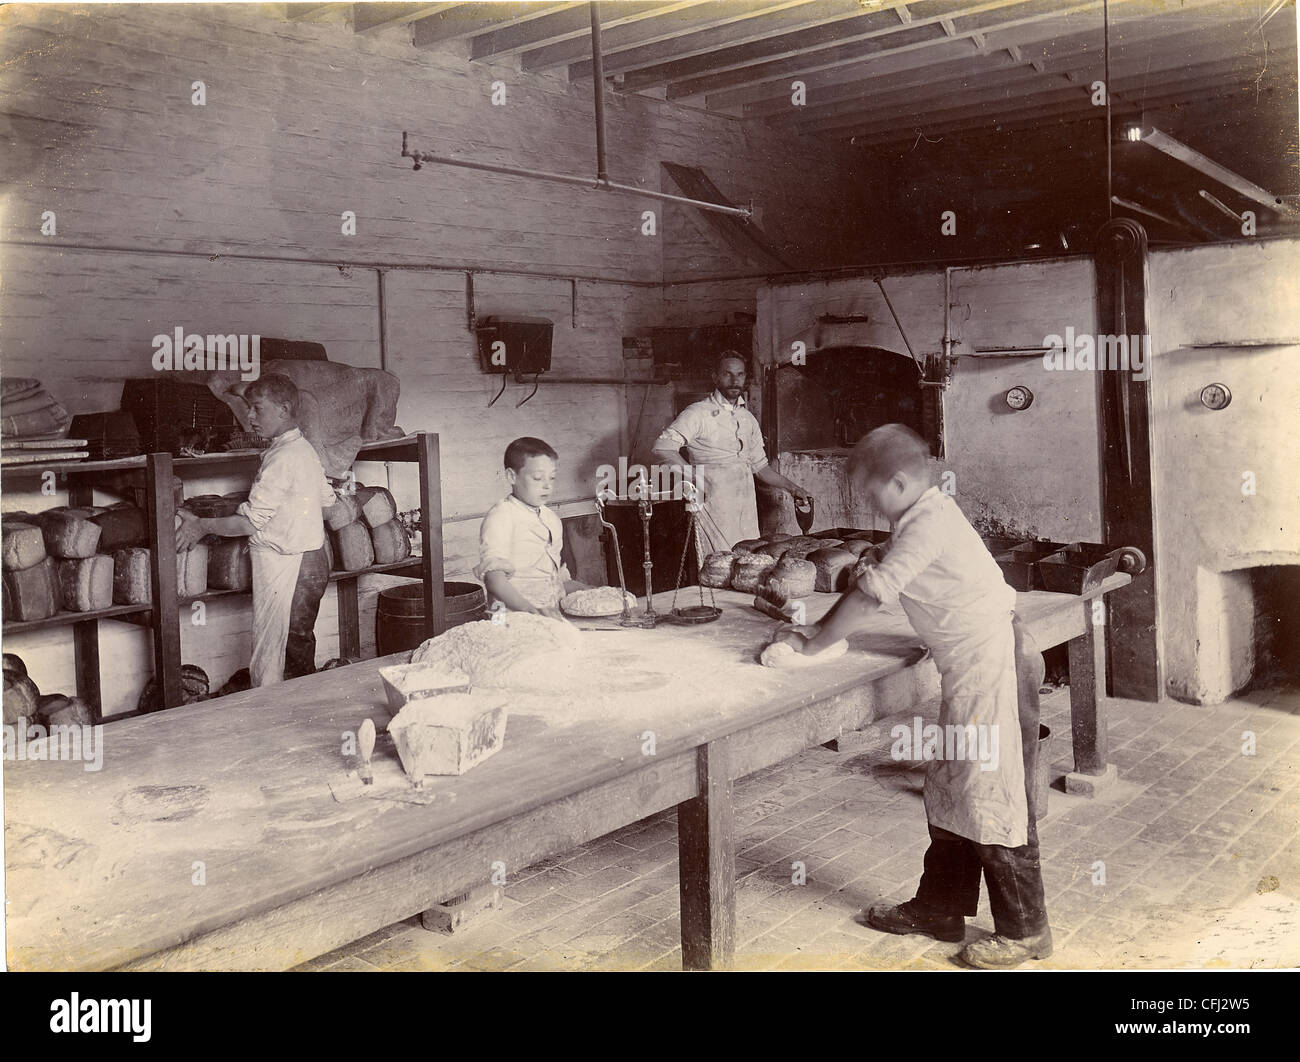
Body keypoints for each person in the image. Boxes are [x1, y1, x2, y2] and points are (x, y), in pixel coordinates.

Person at [772, 423, 1051, 969]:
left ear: (898, 482)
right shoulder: (925, 513)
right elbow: (903, 567)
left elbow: (872, 595)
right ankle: (939, 908)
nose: (870, 506)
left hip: (992, 663)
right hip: (970, 662)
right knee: (952, 786)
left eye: (872, 495)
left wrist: (813, 642)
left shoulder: (928, 523)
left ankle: (1026, 931)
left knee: (992, 794)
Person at [176, 374, 336, 687]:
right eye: (249, 408)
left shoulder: (282, 458)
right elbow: (327, 498)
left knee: (273, 650)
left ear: (284, 409)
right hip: (311, 556)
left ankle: (276, 719)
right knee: (295, 643)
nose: (249, 416)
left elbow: (249, 522)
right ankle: (293, 712)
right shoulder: (304, 450)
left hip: (287, 562)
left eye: (257, 408)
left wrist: (201, 525)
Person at [651, 351, 811, 555]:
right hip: (714, 502)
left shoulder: (747, 418)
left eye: (740, 374)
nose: (735, 381)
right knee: (718, 562)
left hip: (745, 502)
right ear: (715, 377)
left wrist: (793, 488)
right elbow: (662, 448)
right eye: (727, 374)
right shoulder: (697, 413)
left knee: (748, 558)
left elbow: (760, 467)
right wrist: (696, 479)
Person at [477, 437, 578, 618]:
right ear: (512, 476)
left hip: (549, 614)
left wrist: (592, 590)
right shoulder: (502, 516)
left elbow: (557, 580)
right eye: (538, 478)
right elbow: (494, 579)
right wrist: (530, 610)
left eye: (552, 477)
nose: (547, 485)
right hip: (507, 618)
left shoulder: (551, 518)